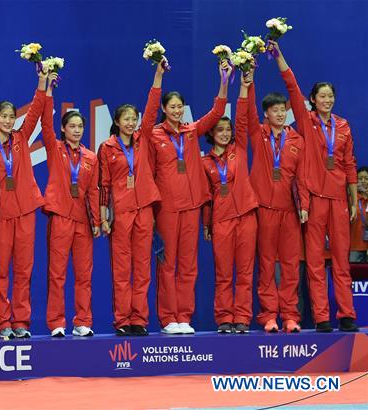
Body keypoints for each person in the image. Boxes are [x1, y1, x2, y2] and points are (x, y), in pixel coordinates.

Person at [271, 40, 359, 332]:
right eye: (322, 96)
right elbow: (292, 88)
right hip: (314, 201)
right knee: (315, 264)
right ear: (312, 100)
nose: (328, 100)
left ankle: (346, 314)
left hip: (338, 200)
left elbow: (349, 164)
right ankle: (321, 316)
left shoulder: (343, 126)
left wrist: (354, 198)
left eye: (331, 96)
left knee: (341, 261)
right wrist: (280, 57)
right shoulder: (305, 124)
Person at [150, 60, 230, 334]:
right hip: (167, 209)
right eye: (171, 106)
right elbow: (148, 117)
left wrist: (224, 80)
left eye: (179, 106)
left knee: (189, 265)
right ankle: (167, 318)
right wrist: (158, 76)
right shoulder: (154, 134)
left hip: (191, 207)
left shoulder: (192, 131)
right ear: (163, 109)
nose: (176, 110)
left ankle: (184, 316)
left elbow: (218, 111)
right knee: (167, 264)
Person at [98, 59, 164, 337]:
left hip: (144, 209)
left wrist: (158, 75)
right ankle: (122, 320)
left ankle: (139, 319)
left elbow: (151, 110)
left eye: (133, 119)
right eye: (126, 119)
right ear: (116, 122)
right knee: (122, 269)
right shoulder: (107, 147)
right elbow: (102, 185)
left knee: (143, 268)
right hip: (121, 213)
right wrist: (104, 217)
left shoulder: (144, 139)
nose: (131, 123)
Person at [248, 50, 307, 333]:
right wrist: (249, 77)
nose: (281, 113)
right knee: (267, 266)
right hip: (264, 210)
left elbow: (303, 176)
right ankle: (269, 315)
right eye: (275, 110)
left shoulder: (297, 138)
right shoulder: (257, 136)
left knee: (291, 266)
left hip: (290, 212)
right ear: (266, 114)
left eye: (284, 109)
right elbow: (245, 111)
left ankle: (291, 316)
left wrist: (304, 204)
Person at [0, 69, 46, 340]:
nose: (9, 121)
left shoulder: (21, 138)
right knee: (0, 271)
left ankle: (21, 321)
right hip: (1, 216)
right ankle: (2, 323)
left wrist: (42, 81)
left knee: (24, 270)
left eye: (12, 117)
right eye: (4, 117)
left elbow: (36, 109)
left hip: (25, 212)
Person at [41, 72, 101, 338]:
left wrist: (97, 221)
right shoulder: (55, 148)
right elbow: (44, 124)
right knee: (57, 274)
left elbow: (94, 191)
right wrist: (48, 90)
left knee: (84, 275)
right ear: (63, 129)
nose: (77, 130)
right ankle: (56, 323)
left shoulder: (90, 157)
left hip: (83, 223)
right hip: (60, 218)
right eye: (72, 126)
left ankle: (83, 321)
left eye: (80, 126)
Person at [201, 68, 259, 334]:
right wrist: (207, 225)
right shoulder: (204, 162)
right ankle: (224, 318)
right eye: (219, 129)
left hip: (246, 216)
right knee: (224, 274)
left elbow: (244, 116)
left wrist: (245, 86)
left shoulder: (240, 150)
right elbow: (206, 198)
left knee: (245, 273)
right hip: (221, 221)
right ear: (211, 134)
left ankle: (242, 319)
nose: (225, 133)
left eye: (228, 129)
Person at [349, 167, 368, 263]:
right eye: (360, 179)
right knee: (355, 275)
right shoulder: (351, 199)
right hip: (355, 245)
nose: (363, 181)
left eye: (366, 178)